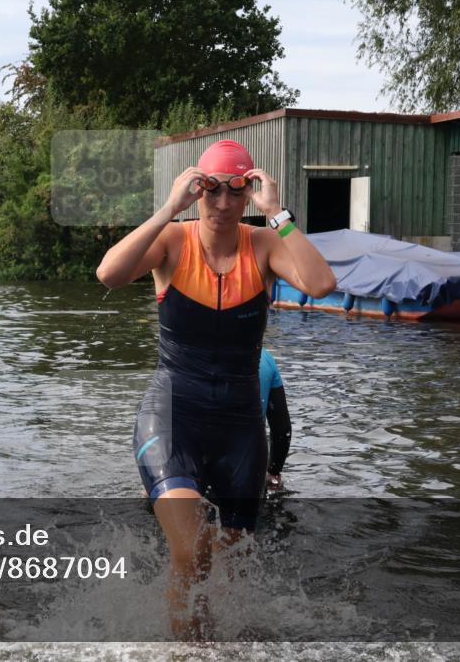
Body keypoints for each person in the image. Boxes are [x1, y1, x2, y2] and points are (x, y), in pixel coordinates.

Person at [96, 139, 334, 639]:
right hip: (173, 413)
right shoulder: (173, 240)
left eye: (236, 192)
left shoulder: (263, 244)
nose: (223, 204)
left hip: (240, 426)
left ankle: (210, 644)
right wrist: (168, 208)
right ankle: (187, 651)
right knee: (193, 547)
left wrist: (278, 214)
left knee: (232, 568)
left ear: (249, 193)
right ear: (197, 190)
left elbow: (321, 285)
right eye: (212, 191)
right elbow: (109, 274)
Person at [259, 348, 292, 491]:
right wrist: (273, 472)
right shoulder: (264, 358)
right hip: (251, 464)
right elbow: (282, 430)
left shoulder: (194, 359)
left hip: (202, 467)